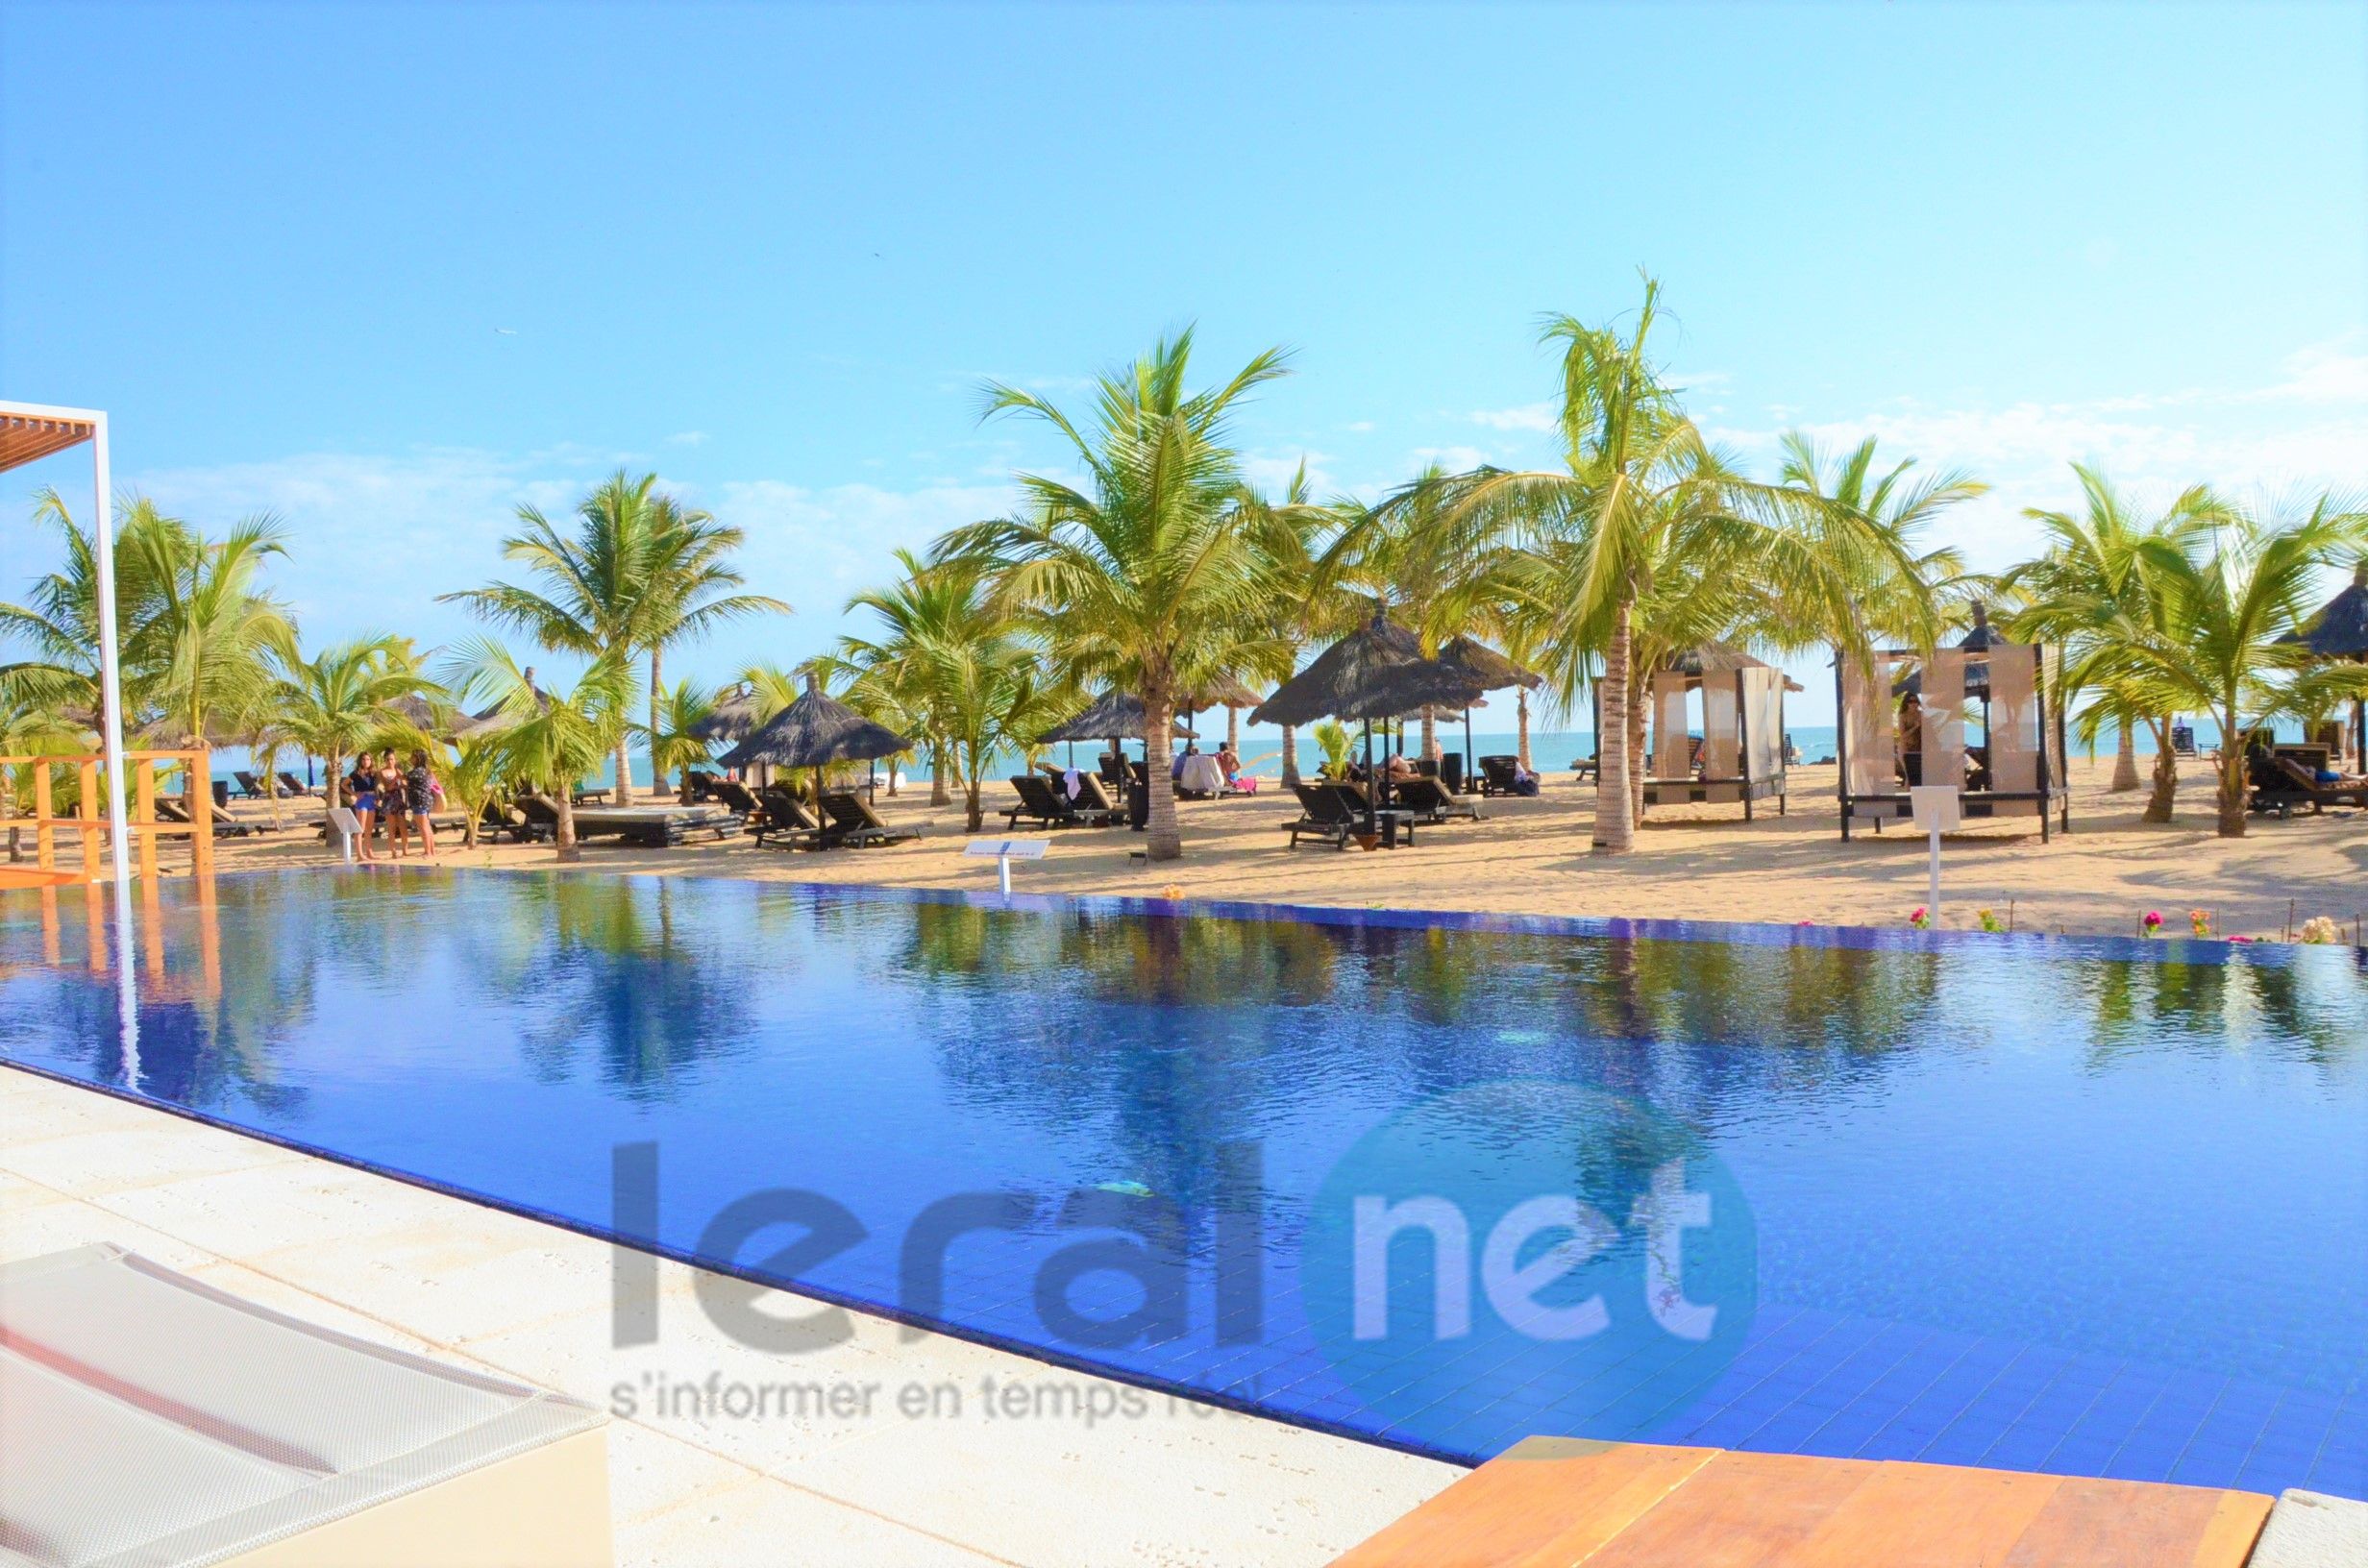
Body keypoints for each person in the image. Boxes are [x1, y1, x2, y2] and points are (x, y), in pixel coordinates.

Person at [406, 747, 439, 858]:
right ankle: (432, 851)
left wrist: (397, 770)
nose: (410, 759)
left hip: (419, 801)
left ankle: (428, 852)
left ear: (418, 759)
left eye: (412, 757)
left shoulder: (416, 772)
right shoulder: (427, 771)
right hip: (426, 800)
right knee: (427, 827)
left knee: (423, 827)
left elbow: (405, 777)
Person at [377, 748, 410, 858]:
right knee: (391, 828)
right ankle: (393, 852)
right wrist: (397, 778)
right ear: (385, 761)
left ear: (395, 760)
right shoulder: (382, 772)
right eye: (387, 759)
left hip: (399, 799)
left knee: (403, 827)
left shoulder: (398, 771)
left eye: (392, 759)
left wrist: (402, 782)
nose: (390, 761)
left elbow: (405, 784)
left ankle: (405, 851)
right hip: (389, 800)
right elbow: (388, 787)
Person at [346, 757, 378, 861]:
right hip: (362, 801)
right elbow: (344, 784)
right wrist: (354, 794)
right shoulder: (355, 773)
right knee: (360, 829)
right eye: (364, 759)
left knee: (369, 829)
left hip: (371, 800)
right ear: (360, 761)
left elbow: (377, 786)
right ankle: (360, 855)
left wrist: (378, 798)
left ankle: (369, 852)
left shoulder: (373, 773)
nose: (366, 761)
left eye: (368, 759)